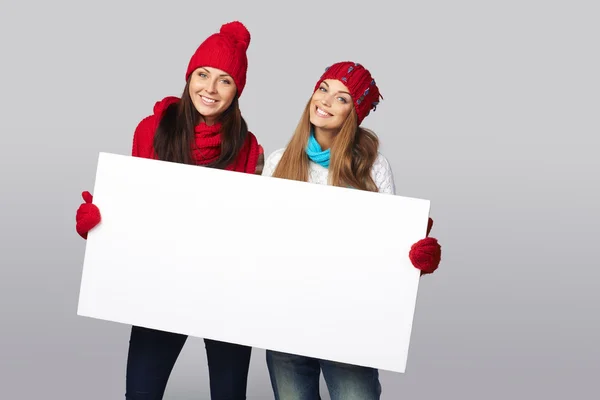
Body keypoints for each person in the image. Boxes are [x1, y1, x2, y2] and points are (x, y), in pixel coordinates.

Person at [74, 21, 263, 400]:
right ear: (189, 76)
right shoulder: (152, 129)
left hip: (223, 288)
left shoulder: (249, 146)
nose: (209, 88)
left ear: (237, 89)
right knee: (141, 395)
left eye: (224, 80)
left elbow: (253, 226)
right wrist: (99, 223)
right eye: (202, 74)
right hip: (161, 284)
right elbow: (133, 209)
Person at [261, 61, 442, 400]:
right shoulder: (279, 161)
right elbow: (261, 245)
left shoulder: (373, 167)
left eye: (342, 98)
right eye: (323, 88)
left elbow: (389, 255)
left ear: (354, 113)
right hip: (287, 320)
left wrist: (415, 257)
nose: (326, 101)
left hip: (348, 325)